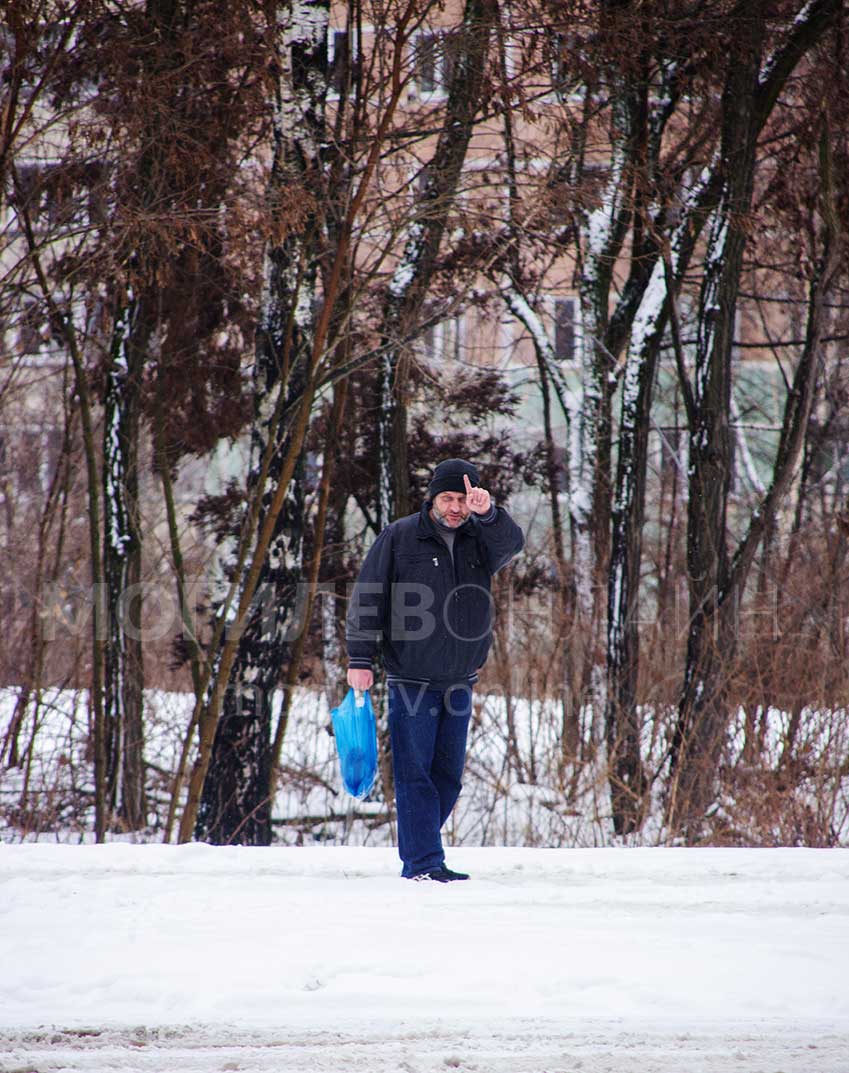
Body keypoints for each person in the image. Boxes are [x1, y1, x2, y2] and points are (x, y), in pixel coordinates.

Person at [346, 458, 524, 882]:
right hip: (411, 676)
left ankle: (421, 848)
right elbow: (367, 595)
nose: (456, 507)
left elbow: (512, 544)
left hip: (460, 678)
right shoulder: (401, 537)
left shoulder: (480, 539)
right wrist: (359, 659)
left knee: (448, 778)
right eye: (449, 497)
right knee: (415, 774)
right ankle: (423, 864)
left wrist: (490, 514)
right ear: (433, 498)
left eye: (464, 499)